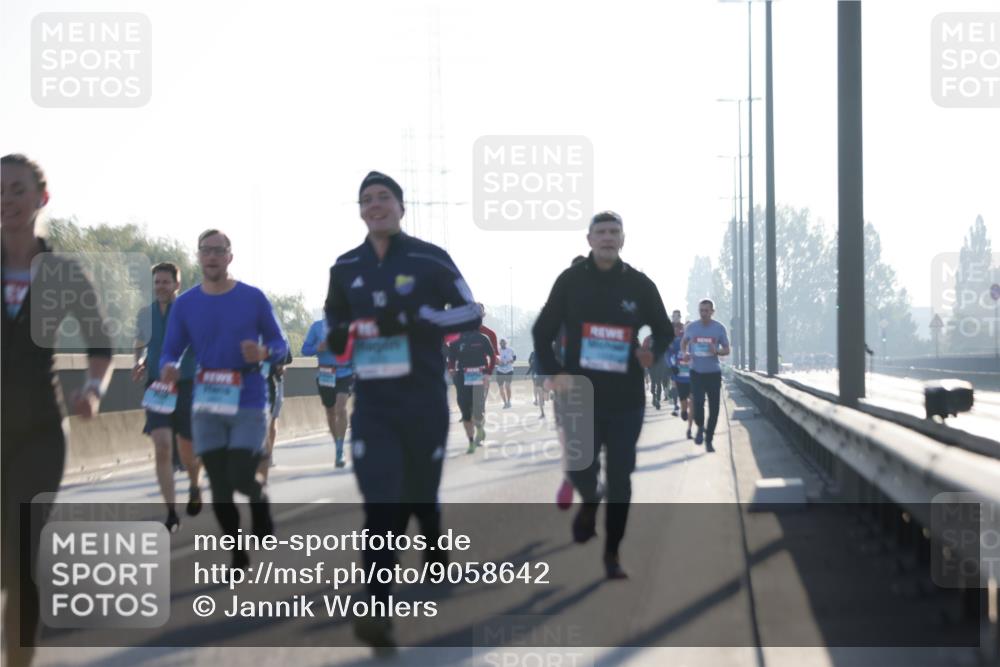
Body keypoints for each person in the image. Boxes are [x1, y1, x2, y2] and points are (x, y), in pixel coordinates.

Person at [324, 171, 481, 653]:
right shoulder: (344, 266)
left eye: (384, 197)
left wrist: (418, 319)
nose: (375, 205)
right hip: (373, 405)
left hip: (423, 400)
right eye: (366, 199)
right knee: (381, 504)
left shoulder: (430, 258)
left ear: (401, 206)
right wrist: (342, 333)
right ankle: (376, 609)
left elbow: (471, 311)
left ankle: (433, 543)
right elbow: (334, 323)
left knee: (419, 495)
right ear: (360, 211)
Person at [2, 154, 113, 667]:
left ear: (41, 198)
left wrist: (92, 388)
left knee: (23, 557)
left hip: (40, 432)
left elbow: (100, 344)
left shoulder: (64, 273)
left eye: (17, 189)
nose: (6, 199)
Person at [532, 210, 672, 580]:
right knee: (580, 468)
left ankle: (612, 554)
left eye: (614, 232)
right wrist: (555, 372)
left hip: (626, 397)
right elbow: (542, 331)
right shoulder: (570, 281)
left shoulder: (639, 284)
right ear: (590, 239)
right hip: (579, 394)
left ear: (622, 239)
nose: (608, 237)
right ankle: (591, 499)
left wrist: (653, 350)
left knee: (621, 477)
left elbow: (664, 329)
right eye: (601, 232)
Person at [160, 229, 288, 568]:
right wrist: (168, 366)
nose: (212, 256)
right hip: (208, 399)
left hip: (248, 397)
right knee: (218, 485)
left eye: (219, 251)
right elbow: (170, 349)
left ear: (230, 256)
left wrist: (263, 352)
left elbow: (280, 345)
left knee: (240, 474)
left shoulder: (253, 298)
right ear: (198, 257)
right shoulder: (186, 304)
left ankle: (258, 498)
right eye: (206, 250)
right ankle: (237, 551)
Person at [133, 262, 203, 531]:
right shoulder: (145, 314)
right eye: (157, 282)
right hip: (157, 387)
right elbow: (140, 343)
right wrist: (139, 362)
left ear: (177, 284)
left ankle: (195, 485)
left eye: (165, 282)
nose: (160, 287)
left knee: (188, 450)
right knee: (162, 446)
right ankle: (171, 512)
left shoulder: (190, 312)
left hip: (186, 385)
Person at [681, 299, 731, 452]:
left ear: (712, 312)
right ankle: (700, 427)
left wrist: (717, 351)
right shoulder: (692, 327)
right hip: (696, 372)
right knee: (698, 404)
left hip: (713, 373)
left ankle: (709, 440)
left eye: (706, 311)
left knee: (714, 409)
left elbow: (727, 350)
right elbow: (684, 342)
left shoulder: (719, 328)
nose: (703, 313)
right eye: (701, 310)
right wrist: (685, 353)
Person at [302, 318, 352, 467]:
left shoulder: (348, 325)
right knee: (330, 412)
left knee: (341, 408)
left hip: (345, 372)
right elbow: (305, 350)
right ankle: (337, 445)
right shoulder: (317, 327)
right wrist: (318, 348)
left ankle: (340, 450)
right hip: (325, 373)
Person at [448, 328, 495, 453]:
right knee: (465, 410)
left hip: (479, 375)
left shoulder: (482, 338)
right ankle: (471, 442)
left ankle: (479, 427)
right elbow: (451, 358)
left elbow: (492, 356)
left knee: (477, 410)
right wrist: (451, 369)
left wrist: (488, 373)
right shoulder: (455, 340)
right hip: (462, 376)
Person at [258, 345, 292, 483]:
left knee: (271, 421)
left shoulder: (278, 336)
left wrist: (281, 367)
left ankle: (268, 455)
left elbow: (287, 357)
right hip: (252, 381)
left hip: (273, 381)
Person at [667, 322, 694, 438]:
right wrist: (672, 366)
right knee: (684, 403)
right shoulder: (676, 342)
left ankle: (690, 429)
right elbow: (668, 354)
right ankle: (683, 411)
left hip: (693, 378)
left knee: (693, 401)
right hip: (681, 377)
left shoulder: (696, 342)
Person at [495, 338, 516, 408]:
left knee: (507, 386)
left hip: (509, 370)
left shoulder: (511, 350)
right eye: (501, 343)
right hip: (500, 371)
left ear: (506, 343)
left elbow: (514, 358)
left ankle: (509, 401)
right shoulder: (497, 350)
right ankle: (505, 402)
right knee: (501, 388)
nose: (502, 344)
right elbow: (494, 360)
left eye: (504, 343)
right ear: (499, 344)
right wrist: (498, 363)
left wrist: (510, 361)